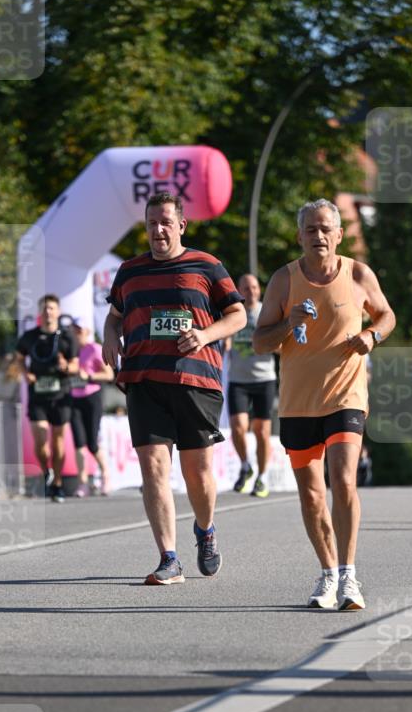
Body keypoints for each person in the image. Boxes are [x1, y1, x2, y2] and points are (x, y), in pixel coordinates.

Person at [253, 198, 395, 611]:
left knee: (343, 478)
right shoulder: (283, 280)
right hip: (298, 403)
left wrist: (372, 337)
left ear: (339, 234)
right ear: (299, 237)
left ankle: (350, 575)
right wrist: (288, 323)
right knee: (312, 495)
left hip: (346, 396)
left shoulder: (357, 273)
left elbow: (386, 315)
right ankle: (328, 573)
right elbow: (260, 342)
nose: (318, 236)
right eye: (310, 230)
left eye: (325, 229)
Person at [102, 192, 246, 585]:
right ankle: (169, 557)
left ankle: (206, 529)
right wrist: (109, 336)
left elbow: (238, 315)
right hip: (144, 379)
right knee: (153, 468)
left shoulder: (207, 265)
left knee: (198, 473)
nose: (158, 230)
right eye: (151, 223)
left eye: (165, 222)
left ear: (181, 225)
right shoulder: (129, 272)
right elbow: (114, 316)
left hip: (195, 380)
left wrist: (203, 335)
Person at [15, 294, 79, 502]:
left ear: (58, 312)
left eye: (51, 308)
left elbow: (76, 365)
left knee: (58, 441)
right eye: (44, 309)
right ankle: (46, 471)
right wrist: (26, 374)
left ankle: (58, 483)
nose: (47, 312)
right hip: (38, 395)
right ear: (39, 314)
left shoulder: (68, 337)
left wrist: (66, 367)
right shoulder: (29, 337)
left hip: (60, 394)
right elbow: (18, 359)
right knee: (41, 441)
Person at [225, 273, 277, 498]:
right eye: (245, 288)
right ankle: (246, 466)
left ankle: (263, 477)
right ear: (238, 290)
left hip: (264, 379)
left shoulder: (267, 313)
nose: (251, 291)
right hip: (238, 379)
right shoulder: (233, 313)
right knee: (238, 427)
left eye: (254, 287)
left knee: (262, 431)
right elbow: (223, 336)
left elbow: (281, 343)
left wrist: (274, 342)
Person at [70, 319, 114, 497]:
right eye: (74, 330)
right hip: (74, 397)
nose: (76, 334)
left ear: (87, 332)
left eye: (79, 331)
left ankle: (105, 476)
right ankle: (83, 483)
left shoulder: (94, 349)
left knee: (92, 443)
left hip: (92, 397)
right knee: (79, 442)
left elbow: (109, 374)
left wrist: (88, 375)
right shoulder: (70, 352)